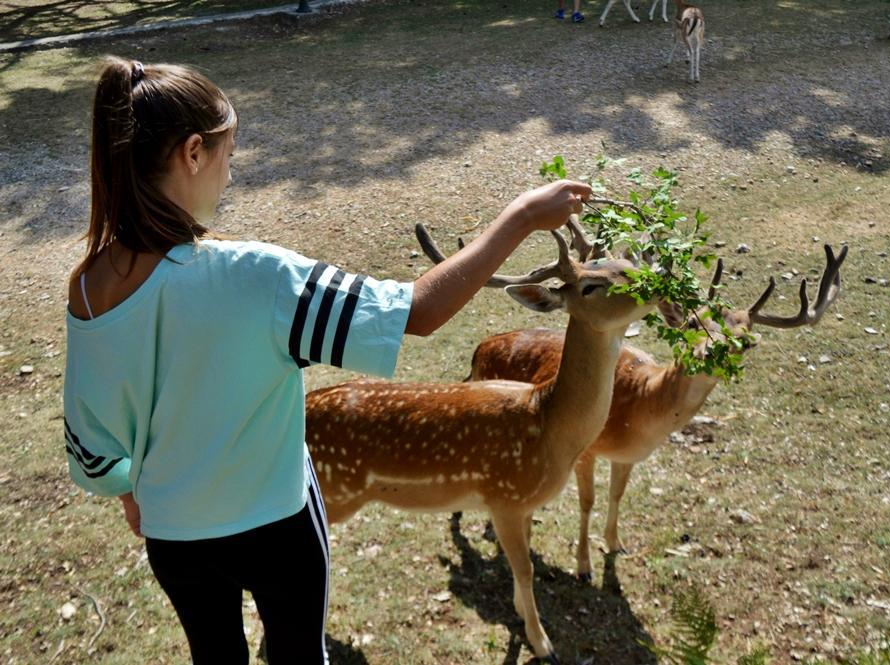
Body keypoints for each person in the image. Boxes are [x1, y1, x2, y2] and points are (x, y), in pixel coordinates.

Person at [63, 56, 591, 665]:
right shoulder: (254, 277)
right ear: (191, 153)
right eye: (228, 158)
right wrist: (521, 216)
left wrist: (135, 495)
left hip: (174, 539)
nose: (228, 178)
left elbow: (93, 448)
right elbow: (414, 313)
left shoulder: (87, 289)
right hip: (277, 529)